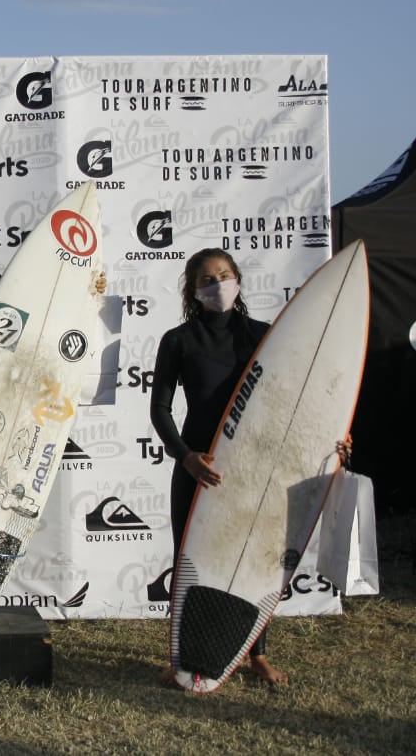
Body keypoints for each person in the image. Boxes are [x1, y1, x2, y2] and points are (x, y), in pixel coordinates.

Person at [149, 248, 284, 686]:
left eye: (224, 276)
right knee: (191, 564)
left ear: (239, 279)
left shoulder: (265, 336)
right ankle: (181, 658)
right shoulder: (178, 340)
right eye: (206, 280)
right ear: (193, 290)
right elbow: (160, 409)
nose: (217, 285)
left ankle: (256, 655)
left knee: (252, 561)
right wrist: (185, 456)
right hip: (197, 469)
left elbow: (288, 403)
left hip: (252, 468)